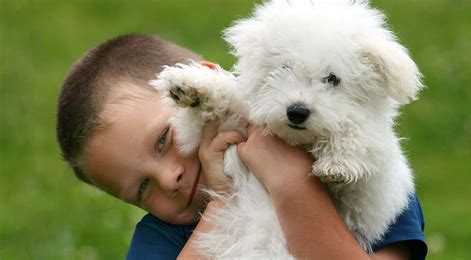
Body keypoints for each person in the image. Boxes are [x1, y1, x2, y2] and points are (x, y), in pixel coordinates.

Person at [56, 33, 427, 259]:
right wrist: (224, 198)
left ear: (198, 88)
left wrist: (291, 183)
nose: (169, 178)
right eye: (142, 188)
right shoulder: (161, 239)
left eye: (162, 141)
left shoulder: (364, 173)